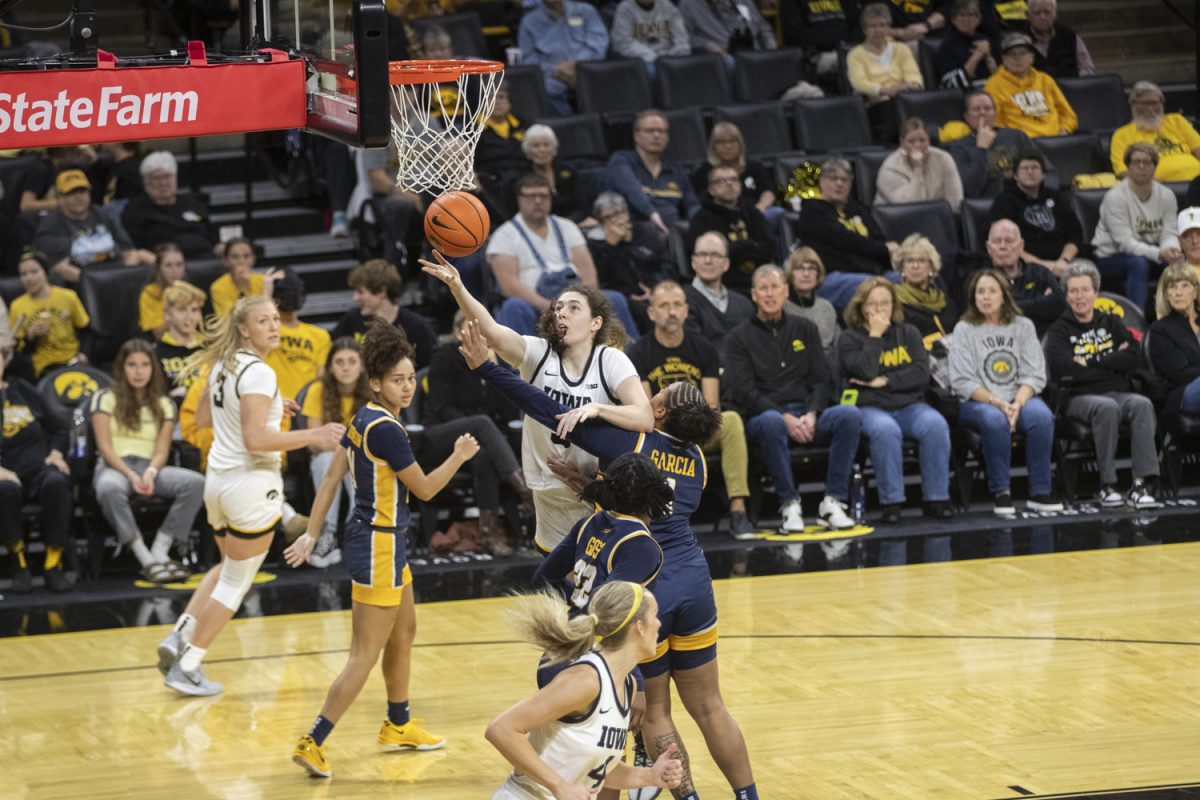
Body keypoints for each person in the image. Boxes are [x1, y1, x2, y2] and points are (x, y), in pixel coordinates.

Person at [459, 321, 757, 800]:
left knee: (654, 713)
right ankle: (748, 796)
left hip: (648, 579)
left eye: (656, 393)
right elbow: (659, 497)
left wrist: (489, 370)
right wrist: (595, 488)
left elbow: (548, 408)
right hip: (695, 580)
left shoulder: (632, 442)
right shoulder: (698, 459)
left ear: (656, 411)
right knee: (710, 707)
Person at [286, 323, 479, 777]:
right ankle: (313, 739)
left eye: (411, 377)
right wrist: (460, 455)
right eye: (397, 379)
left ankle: (398, 723)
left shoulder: (365, 416)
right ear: (375, 382)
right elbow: (428, 490)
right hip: (378, 544)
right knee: (363, 654)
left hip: (383, 541)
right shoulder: (387, 431)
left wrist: (312, 534)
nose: (407, 386)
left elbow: (332, 479)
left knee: (405, 630)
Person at [156, 296, 346, 696]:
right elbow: (256, 439)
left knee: (226, 566)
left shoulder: (224, 365)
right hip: (251, 484)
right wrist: (315, 434)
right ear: (244, 328)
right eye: (263, 321)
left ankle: (178, 636)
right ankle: (188, 665)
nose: (274, 326)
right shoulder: (259, 371)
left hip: (218, 484)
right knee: (236, 584)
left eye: (276, 319)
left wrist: (274, 408)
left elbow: (207, 418)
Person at [422, 254, 653, 553]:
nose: (562, 314)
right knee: (564, 582)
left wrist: (596, 408)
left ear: (596, 322)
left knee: (602, 582)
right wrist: (457, 287)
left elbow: (643, 416)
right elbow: (491, 330)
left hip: (594, 488)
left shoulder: (611, 359)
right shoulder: (538, 352)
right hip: (546, 489)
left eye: (573, 308)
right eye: (558, 308)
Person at [485, 582, 683, 800]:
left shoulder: (627, 685)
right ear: (640, 627)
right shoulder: (585, 680)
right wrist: (559, 786)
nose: (659, 623)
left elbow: (595, 769)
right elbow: (501, 729)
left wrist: (649, 776)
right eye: (655, 615)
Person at [725, 264, 861, 531]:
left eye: (775, 287)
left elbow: (821, 380)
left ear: (785, 291)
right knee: (772, 422)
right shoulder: (738, 338)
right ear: (753, 295)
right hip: (764, 418)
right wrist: (785, 417)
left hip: (807, 414)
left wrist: (811, 414)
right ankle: (789, 504)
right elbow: (745, 392)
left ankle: (833, 501)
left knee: (849, 415)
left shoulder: (806, 328)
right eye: (763, 288)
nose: (769, 294)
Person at [626, 280, 756, 539]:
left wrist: (692, 428)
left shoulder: (704, 349)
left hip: (697, 430)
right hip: (659, 434)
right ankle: (650, 517)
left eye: (676, 305)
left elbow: (711, 407)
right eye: (664, 306)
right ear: (651, 313)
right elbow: (647, 409)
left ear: (686, 310)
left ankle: (739, 511)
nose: (671, 312)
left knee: (731, 421)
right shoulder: (638, 352)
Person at [1044, 262, 1160, 509]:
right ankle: (1107, 485)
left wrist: (1091, 362)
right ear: (1066, 296)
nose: (1080, 296)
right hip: (1078, 398)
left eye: (1085, 290)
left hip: (1118, 391)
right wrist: (1111, 364)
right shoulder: (1058, 331)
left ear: (1096, 293)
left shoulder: (1112, 322)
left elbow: (1134, 357)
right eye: (1074, 291)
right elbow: (1066, 371)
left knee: (1142, 404)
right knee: (1106, 407)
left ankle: (1141, 484)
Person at [839, 278, 954, 522]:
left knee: (935, 424)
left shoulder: (909, 332)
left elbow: (921, 373)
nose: (880, 310)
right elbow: (865, 371)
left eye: (885, 303)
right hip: (870, 407)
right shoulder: (849, 339)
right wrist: (875, 335)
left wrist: (886, 381)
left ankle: (937, 498)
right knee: (885, 430)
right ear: (861, 307)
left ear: (894, 305)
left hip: (910, 405)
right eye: (873, 304)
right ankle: (892, 503)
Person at [90, 339, 205, 583]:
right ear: (122, 368)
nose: (139, 371)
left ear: (153, 368)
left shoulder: (164, 404)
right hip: (116, 466)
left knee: (196, 483)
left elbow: (162, 450)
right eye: (132, 365)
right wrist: (131, 475)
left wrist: (151, 472)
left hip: (151, 465)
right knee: (108, 487)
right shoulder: (104, 398)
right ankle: (143, 555)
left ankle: (161, 548)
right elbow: (105, 447)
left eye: (144, 365)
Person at [949, 269, 1061, 516]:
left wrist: (1017, 404)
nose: (986, 297)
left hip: (1019, 397)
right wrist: (999, 403)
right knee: (993, 420)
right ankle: (1002, 492)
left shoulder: (1023, 326)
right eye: (980, 291)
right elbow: (962, 381)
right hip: (979, 401)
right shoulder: (964, 329)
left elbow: (1035, 373)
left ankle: (1040, 491)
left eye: (992, 291)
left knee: (1041, 417)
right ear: (973, 297)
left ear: (1004, 295)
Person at [485, 173, 641, 338]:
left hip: (574, 296)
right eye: (531, 196)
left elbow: (589, 273)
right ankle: (518, 363)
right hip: (534, 303)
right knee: (514, 307)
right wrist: (550, 307)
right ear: (519, 199)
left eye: (543, 195)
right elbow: (509, 286)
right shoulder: (504, 235)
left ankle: (631, 358)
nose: (538, 201)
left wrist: (580, 303)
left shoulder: (567, 227)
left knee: (614, 298)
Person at [0, 346, 73, 593]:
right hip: (4, 472)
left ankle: (53, 563)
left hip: (37, 465)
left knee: (56, 482)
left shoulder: (22, 389)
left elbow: (62, 427)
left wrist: (56, 453)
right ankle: (18, 562)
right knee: (4, 489)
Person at [300, 337, 373, 565]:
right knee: (326, 458)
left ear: (361, 365)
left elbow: (379, 437)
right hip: (329, 457)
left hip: (362, 458)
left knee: (358, 459)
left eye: (352, 361)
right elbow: (314, 440)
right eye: (339, 362)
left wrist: (349, 449)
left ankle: (358, 532)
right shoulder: (318, 389)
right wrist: (349, 448)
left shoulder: (373, 389)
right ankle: (327, 534)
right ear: (330, 366)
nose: (346, 367)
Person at [1092, 143, 1184, 314]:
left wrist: (1171, 250)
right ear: (1128, 166)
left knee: (1179, 264)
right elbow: (1125, 243)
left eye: (1147, 162)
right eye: (1136, 162)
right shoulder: (1115, 197)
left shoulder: (1166, 195)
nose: (1142, 166)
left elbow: (1169, 232)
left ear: (1155, 166)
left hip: (1150, 252)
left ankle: (1179, 318)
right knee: (1138, 263)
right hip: (1109, 256)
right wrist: (1158, 254)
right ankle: (1136, 322)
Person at [795, 157, 898, 310]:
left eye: (845, 179)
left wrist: (883, 249)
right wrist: (882, 249)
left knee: (906, 279)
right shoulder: (813, 210)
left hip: (870, 271)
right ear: (822, 181)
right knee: (872, 287)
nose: (839, 183)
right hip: (832, 276)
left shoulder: (856, 209)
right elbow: (845, 240)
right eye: (833, 178)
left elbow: (879, 238)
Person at [33, 169, 154, 285]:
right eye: (71, 193)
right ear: (59, 197)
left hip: (118, 274)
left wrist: (122, 277)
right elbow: (60, 268)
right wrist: (96, 282)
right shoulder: (51, 224)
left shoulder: (104, 214)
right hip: (83, 282)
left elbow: (129, 252)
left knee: (146, 256)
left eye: (82, 191)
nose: (78, 197)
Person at [988, 149, 1088, 280]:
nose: (1030, 172)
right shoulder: (1004, 202)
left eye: (1035, 168)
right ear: (1015, 175)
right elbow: (1007, 245)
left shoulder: (1056, 197)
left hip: (1063, 263)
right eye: (1024, 168)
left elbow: (1075, 234)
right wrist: (1045, 266)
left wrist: (1064, 260)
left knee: (1087, 270)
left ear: (1044, 174)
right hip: (1024, 264)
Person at [607, 110, 700, 238]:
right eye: (650, 131)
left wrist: (699, 223)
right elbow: (631, 190)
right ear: (637, 136)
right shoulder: (621, 160)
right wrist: (651, 213)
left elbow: (692, 204)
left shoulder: (676, 170)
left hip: (673, 235)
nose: (656, 135)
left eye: (661, 131)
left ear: (667, 138)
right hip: (634, 233)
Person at [331, 258, 438, 369]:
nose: (355, 298)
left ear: (382, 291)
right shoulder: (352, 319)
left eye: (360, 292)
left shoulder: (417, 327)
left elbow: (429, 369)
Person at [586, 192, 667, 335]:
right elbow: (599, 279)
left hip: (654, 289)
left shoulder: (646, 232)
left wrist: (655, 288)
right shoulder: (595, 244)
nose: (615, 221)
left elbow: (665, 265)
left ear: (627, 215)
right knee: (644, 311)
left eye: (618, 214)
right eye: (608, 218)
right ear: (601, 223)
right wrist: (610, 246)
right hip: (624, 297)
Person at [942, 89, 1048, 199]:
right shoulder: (959, 148)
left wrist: (1042, 194)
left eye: (987, 108)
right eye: (976, 109)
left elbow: (1047, 171)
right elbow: (970, 188)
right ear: (966, 116)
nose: (982, 112)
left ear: (994, 114)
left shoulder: (1016, 136)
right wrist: (981, 148)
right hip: (990, 205)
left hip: (1024, 198)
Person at [686, 165, 775, 293]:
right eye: (721, 181)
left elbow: (769, 248)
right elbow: (710, 258)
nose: (729, 184)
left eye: (734, 179)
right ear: (711, 190)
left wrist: (736, 249)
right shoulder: (702, 220)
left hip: (760, 282)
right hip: (725, 285)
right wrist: (749, 246)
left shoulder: (752, 213)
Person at [847, 2, 924, 141]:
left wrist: (908, 86)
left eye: (883, 25)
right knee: (895, 109)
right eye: (873, 26)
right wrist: (885, 90)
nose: (879, 30)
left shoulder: (901, 48)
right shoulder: (855, 54)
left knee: (910, 104)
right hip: (877, 104)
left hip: (905, 99)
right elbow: (858, 83)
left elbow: (914, 76)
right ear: (864, 29)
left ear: (889, 27)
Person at [120, 150, 219, 258]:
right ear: (146, 182)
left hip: (206, 261)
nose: (163, 183)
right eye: (157, 178)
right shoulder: (135, 210)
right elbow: (134, 249)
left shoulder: (191, 203)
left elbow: (213, 238)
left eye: (167, 176)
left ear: (175, 178)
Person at [516, 0, 608, 116]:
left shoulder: (586, 11)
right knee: (542, 90)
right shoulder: (529, 21)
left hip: (587, 69)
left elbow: (598, 45)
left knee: (606, 83)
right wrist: (556, 70)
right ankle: (569, 126)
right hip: (552, 76)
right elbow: (528, 59)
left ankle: (599, 127)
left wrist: (576, 65)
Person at [9, 251, 90, 377]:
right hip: (42, 368)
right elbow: (19, 352)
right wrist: (30, 335)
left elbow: (85, 329)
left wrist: (84, 353)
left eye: (34, 272)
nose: (29, 278)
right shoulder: (17, 306)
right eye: (23, 274)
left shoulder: (68, 297)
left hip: (73, 361)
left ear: (45, 273)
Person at [983, 32, 1077, 139]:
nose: (1017, 58)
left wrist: (1064, 130)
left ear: (1032, 57)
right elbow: (994, 122)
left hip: (1056, 139)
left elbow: (1067, 114)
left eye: (1022, 53)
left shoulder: (1045, 79)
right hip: (1022, 144)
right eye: (1012, 54)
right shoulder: (994, 84)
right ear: (1003, 59)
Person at [986, 218, 1065, 336]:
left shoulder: (1039, 272)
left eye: (1009, 240)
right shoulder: (980, 279)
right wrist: (1040, 302)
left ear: (1021, 246)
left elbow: (1059, 304)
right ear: (988, 248)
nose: (1002, 246)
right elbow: (988, 314)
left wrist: (1009, 307)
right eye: (997, 241)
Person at [1110, 81, 1200, 183]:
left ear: (1161, 103)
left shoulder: (1177, 120)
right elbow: (1123, 172)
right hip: (1158, 187)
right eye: (1144, 104)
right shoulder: (1121, 134)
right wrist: (1155, 187)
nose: (1150, 108)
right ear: (1133, 105)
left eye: (1154, 103)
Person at [264, 270, 332, 403]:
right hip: (275, 404)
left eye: (294, 293)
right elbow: (255, 322)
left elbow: (322, 377)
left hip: (306, 406)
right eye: (286, 293)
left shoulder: (320, 335)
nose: (291, 297)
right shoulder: (268, 330)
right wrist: (265, 295)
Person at [682, 231, 756, 353]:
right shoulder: (681, 302)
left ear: (726, 264)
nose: (708, 260)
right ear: (693, 262)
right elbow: (693, 350)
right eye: (702, 254)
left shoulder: (744, 304)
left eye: (715, 255)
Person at [689, 121, 778, 217]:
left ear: (740, 145)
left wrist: (761, 206)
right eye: (721, 142)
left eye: (732, 141)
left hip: (753, 212)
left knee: (777, 212)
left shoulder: (754, 167)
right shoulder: (704, 171)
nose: (728, 146)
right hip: (718, 215)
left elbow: (768, 190)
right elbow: (701, 199)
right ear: (713, 147)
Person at [875, 118, 965, 212]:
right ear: (902, 144)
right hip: (895, 221)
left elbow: (955, 203)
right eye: (911, 141)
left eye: (922, 140)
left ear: (928, 141)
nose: (917, 146)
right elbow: (910, 208)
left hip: (935, 219)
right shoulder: (890, 168)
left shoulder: (944, 159)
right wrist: (918, 169)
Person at [1147, 263, 1200, 416]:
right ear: (1166, 294)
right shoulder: (1160, 329)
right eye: (1172, 287)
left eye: (1185, 286)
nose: (1178, 292)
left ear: (1195, 293)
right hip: (1183, 393)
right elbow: (1179, 373)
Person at [517, 125, 592, 224]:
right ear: (527, 152)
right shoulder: (519, 179)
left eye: (546, 145)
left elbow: (583, 208)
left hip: (572, 223)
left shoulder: (569, 173)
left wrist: (566, 225)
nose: (542, 150)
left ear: (555, 150)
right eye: (536, 146)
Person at [893, 234, 960, 344]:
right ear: (902, 267)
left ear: (931, 267)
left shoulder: (944, 300)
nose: (915, 266)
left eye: (921, 261)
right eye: (909, 261)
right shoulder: (894, 302)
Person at [678, 0, 775, 71]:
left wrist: (771, 47)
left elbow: (764, 27)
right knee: (732, 64)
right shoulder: (689, 4)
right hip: (723, 58)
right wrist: (709, 46)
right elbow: (687, 38)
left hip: (754, 52)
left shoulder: (743, 2)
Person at [611, 0, 690, 81]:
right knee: (654, 73)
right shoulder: (625, 8)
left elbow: (681, 38)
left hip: (669, 56)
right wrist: (655, 58)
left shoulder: (667, 5)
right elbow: (623, 43)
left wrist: (677, 55)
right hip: (643, 60)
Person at [155, 281, 206, 404]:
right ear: (167, 314)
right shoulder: (156, 353)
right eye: (182, 310)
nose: (189, 317)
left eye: (194, 310)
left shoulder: (210, 348)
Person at [208, 236, 282, 318]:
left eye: (246, 256)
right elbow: (229, 321)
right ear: (225, 261)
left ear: (253, 259)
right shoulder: (218, 287)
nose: (241, 261)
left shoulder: (263, 281)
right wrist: (242, 290)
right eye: (235, 257)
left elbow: (269, 316)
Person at [783, 246, 839, 350]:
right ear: (791, 273)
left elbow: (836, 347)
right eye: (800, 268)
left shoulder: (826, 308)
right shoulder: (781, 308)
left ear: (818, 273)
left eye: (812, 268)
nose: (806, 274)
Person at [934, 0, 997, 89]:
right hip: (966, 95)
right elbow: (952, 85)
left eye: (971, 15)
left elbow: (1003, 78)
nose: (966, 20)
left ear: (979, 19)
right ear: (953, 20)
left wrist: (988, 58)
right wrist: (976, 56)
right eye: (962, 15)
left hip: (993, 91)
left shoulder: (988, 42)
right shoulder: (946, 47)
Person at [1027, 0, 1094, 79]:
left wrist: (1078, 85)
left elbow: (1086, 67)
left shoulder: (1070, 36)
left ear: (1055, 14)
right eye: (1037, 13)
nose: (1042, 17)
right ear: (1028, 16)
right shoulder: (1021, 39)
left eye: (1047, 12)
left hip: (1069, 88)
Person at [139, 243, 188, 339]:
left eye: (179, 264)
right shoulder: (150, 293)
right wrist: (173, 316)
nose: (175, 270)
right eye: (168, 265)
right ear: (159, 268)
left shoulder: (189, 291)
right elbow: (157, 335)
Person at [1180, 207, 1200, 279]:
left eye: (1199, 234)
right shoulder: (1173, 277)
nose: (1194, 241)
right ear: (1179, 241)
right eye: (1187, 236)